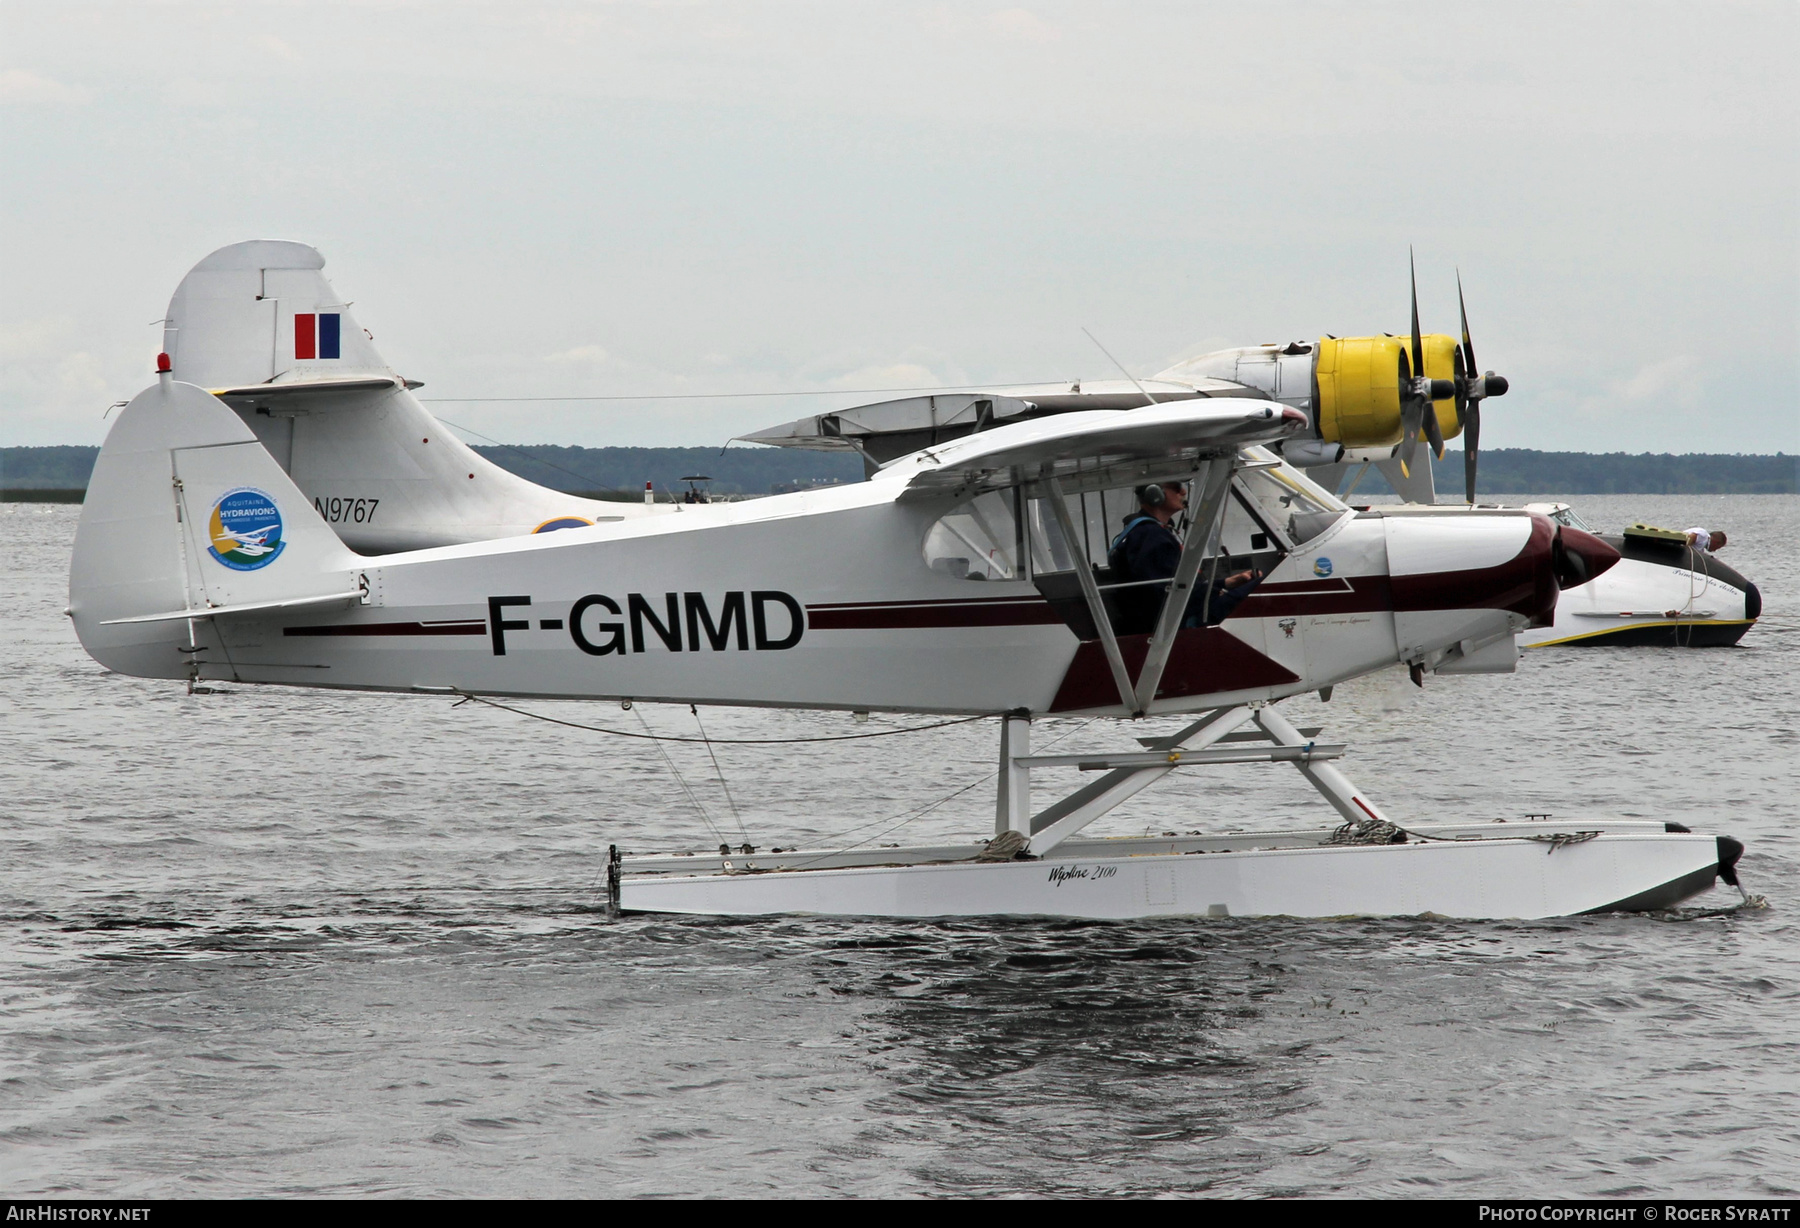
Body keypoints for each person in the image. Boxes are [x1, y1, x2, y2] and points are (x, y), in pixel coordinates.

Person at [1107, 482, 1262, 632]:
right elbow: (1165, 594)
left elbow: (1174, 585)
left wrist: (1226, 583)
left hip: (1178, 614)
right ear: (1154, 493)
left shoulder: (1150, 533)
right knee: (1261, 586)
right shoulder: (1151, 536)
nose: (1183, 492)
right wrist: (1214, 593)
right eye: (1176, 487)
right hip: (1181, 621)